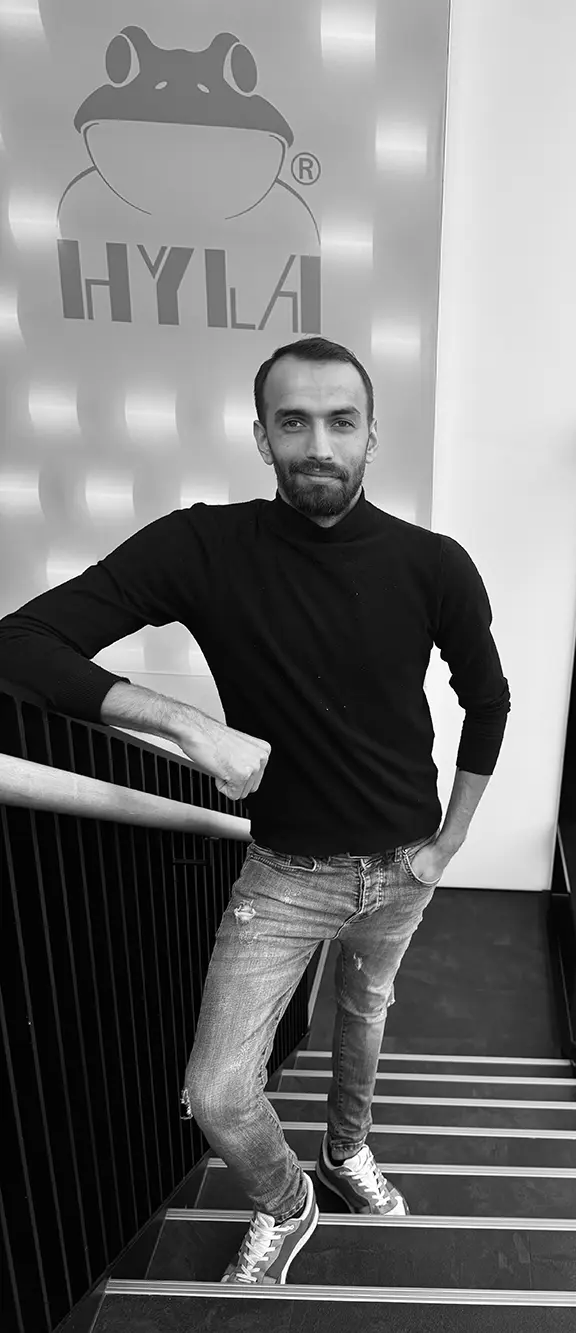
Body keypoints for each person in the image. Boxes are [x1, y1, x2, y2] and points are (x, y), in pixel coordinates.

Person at [0, 336, 510, 1284]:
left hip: (404, 865)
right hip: (284, 875)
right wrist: (187, 724)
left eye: (341, 422)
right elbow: (21, 642)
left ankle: (346, 1149)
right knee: (217, 1091)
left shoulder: (434, 564)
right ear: (262, 437)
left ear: (371, 436)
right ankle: (286, 1198)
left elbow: (489, 701)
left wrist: (449, 844)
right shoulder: (203, 547)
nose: (319, 445)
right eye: (294, 422)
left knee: (366, 1008)